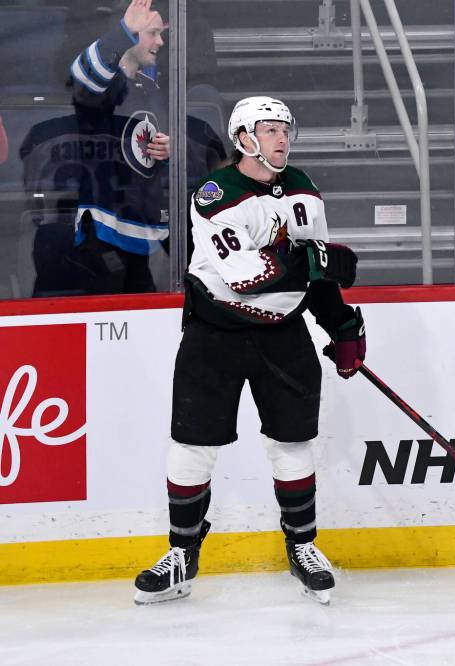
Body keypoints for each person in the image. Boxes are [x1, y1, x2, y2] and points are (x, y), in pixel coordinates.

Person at [133, 96, 364, 606]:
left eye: (285, 129)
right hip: (214, 333)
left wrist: (341, 325)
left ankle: (302, 547)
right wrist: (315, 259)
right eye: (269, 129)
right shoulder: (215, 195)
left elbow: (319, 276)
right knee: (193, 445)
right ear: (243, 139)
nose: (282, 138)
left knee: (293, 442)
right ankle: (181, 556)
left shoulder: (303, 188)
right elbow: (249, 276)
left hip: (284, 334)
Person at [67, 0, 171, 294]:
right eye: (152, 33)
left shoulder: (150, 87)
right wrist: (123, 31)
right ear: (131, 35)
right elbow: (83, 74)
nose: (160, 42)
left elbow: (144, 154)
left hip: (141, 232)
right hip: (104, 232)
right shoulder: (105, 84)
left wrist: (166, 152)